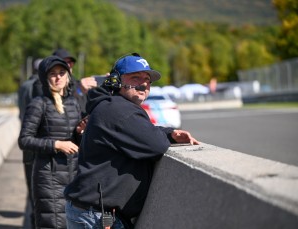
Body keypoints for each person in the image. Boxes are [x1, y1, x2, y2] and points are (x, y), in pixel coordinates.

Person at [64, 53, 199, 229]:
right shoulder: (120, 110)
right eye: (136, 78)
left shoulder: (112, 105)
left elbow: (141, 131)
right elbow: (155, 145)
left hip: (90, 211)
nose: (144, 84)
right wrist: (166, 135)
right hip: (97, 216)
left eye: (147, 79)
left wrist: (169, 133)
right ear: (116, 81)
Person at [18, 55, 85, 228]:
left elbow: (75, 139)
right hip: (49, 178)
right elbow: (24, 140)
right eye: (53, 74)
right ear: (45, 78)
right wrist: (56, 144)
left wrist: (80, 132)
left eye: (62, 73)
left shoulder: (73, 103)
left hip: (73, 175)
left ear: (68, 75)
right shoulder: (39, 103)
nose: (58, 77)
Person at [17, 57, 43, 228]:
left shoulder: (23, 86)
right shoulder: (40, 89)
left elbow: (20, 112)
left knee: (31, 184)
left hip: (27, 139)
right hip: (40, 141)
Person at [52, 48, 105, 117]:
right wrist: (79, 92)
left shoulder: (77, 83)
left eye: (70, 62)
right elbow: (56, 110)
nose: (68, 65)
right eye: (64, 62)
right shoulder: (43, 84)